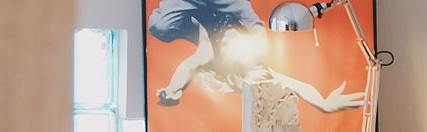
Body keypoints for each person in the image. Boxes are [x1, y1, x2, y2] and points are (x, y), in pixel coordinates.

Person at [148, 0, 365, 113]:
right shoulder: (245, 39)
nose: (226, 45)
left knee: (161, 26)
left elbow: (187, 68)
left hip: (202, 22)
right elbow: (299, 85)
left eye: (228, 46)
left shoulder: (209, 51)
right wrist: (324, 103)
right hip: (213, 14)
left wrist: (172, 90)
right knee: (161, 26)